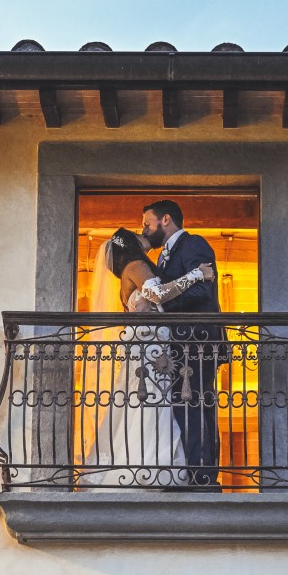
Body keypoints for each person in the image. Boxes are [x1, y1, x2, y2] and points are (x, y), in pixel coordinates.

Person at [79, 227, 215, 488]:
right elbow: (157, 295)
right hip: (151, 345)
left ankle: (145, 464)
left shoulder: (127, 272)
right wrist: (197, 274)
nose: (144, 234)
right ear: (130, 243)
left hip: (148, 344)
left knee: (145, 402)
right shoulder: (136, 264)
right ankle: (150, 466)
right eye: (138, 233)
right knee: (152, 401)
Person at [142, 200, 225, 490]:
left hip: (198, 341)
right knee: (187, 403)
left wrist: (164, 304)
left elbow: (204, 288)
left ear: (165, 220)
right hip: (182, 344)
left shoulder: (193, 244)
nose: (145, 229)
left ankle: (203, 477)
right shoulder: (164, 257)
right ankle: (198, 472)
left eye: (147, 223)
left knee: (195, 403)